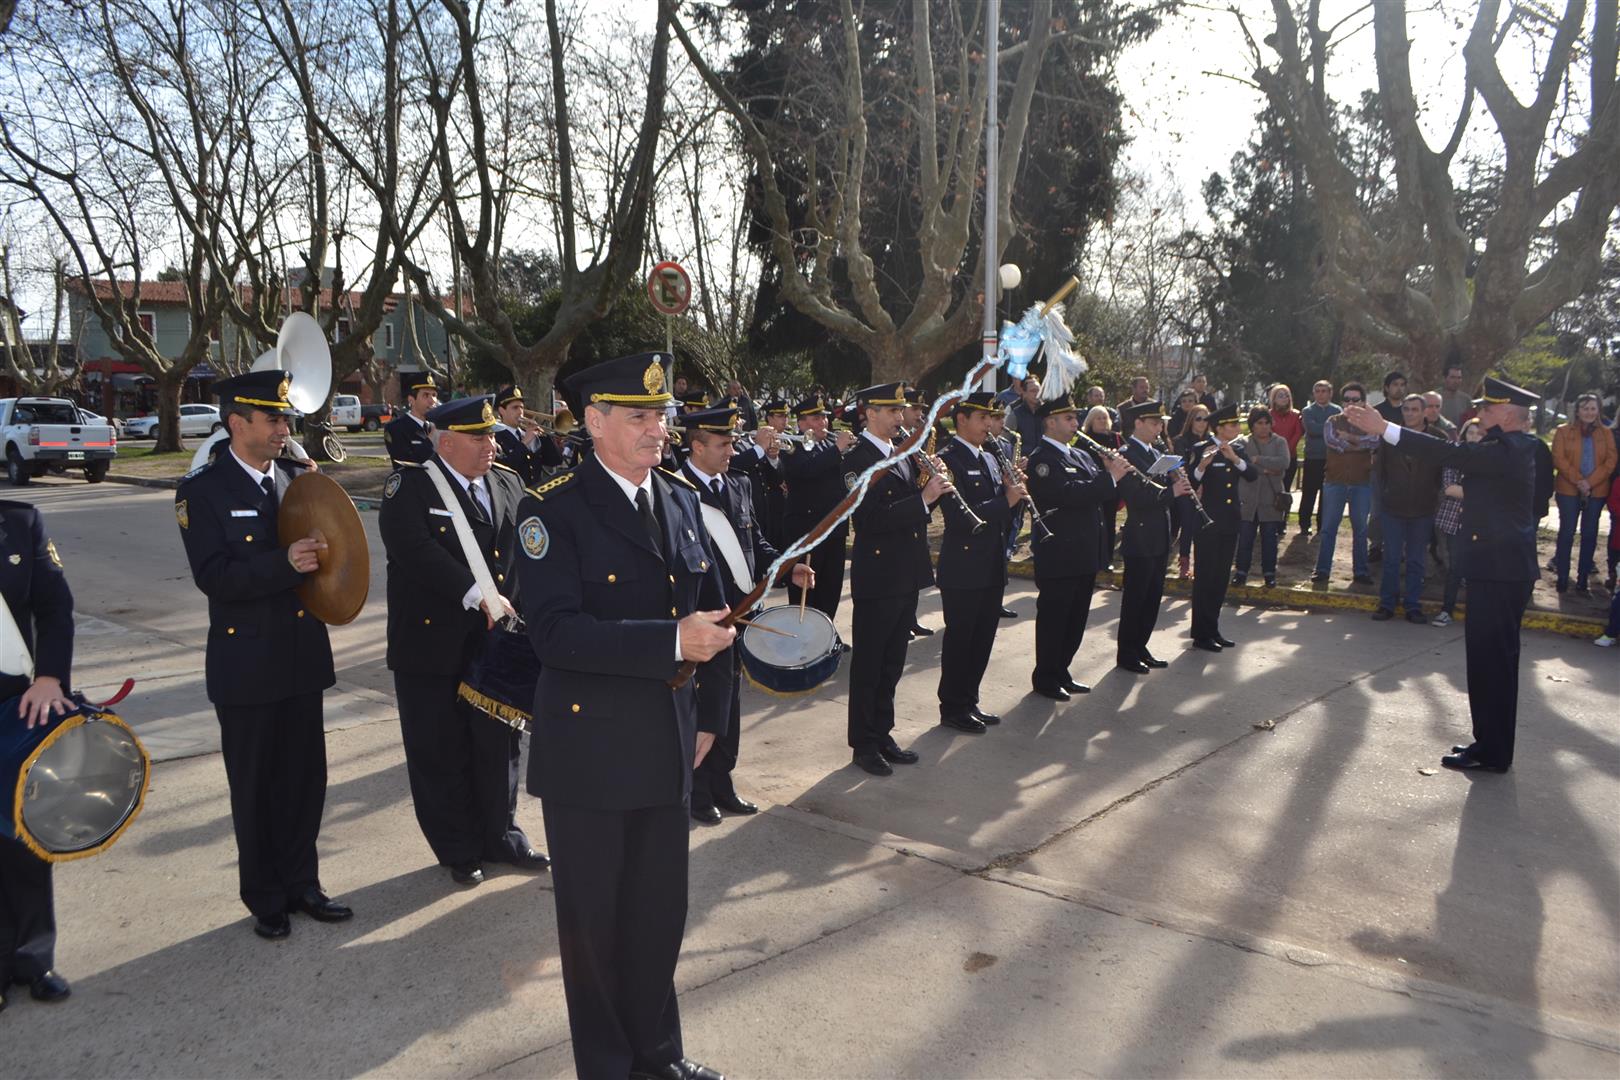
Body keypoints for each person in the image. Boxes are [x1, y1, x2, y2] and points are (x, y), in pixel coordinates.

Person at [516, 353, 734, 1080]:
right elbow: (554, 634)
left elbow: (716, 612)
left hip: (668, 744)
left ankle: (658, 1056)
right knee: (594, 928)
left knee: (657, 916)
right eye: (638, 415)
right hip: (591, 755)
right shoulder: (551, 507)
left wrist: (712, 715)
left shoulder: (676, 499)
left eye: (661, 414)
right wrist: (671, 642)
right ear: (594, 421)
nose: (657, 428)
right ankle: (609, 1068)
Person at [175, 369, 353, 939]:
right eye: (272, 418)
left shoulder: (302, 479)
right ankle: (266, 896)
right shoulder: (201, 492)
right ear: (236, 423)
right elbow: (215, 577)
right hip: (246, 664)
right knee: (255, 784)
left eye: (284, 418)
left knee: (306, 779)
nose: (284, 428)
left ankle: (305, 883)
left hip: (301, 656)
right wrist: (285, 564)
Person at [377, 396, 549, 887]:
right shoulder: (408, 487)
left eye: (493, 436)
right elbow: (414, 550)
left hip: (497, 644)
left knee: (499, 745)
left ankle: (503, 835)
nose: (491, 446)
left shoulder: (509, 482)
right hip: (432, 645)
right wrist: (478, 594)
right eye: (480, 438)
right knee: (440, 747)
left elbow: (530, 549)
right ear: (446, 442)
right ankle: (458, 846)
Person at [1343, 376, 1542, 773]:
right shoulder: (1506, 447)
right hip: (1497, 570)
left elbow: (1448, 453)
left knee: (1493, 665)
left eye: (1488, 408)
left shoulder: (1512, 450)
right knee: (1487, 664)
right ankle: (1489, 745)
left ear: (1507, 414)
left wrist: (1385, 428)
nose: (1480, 413)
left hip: (1500, 572)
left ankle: (1493, 751)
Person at [676, 406, 812, 823]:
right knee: (700, 706)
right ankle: (696, 793)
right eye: (723, 444)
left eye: (733, 442)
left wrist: (790, 566)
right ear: (697, 446)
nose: (732, 451)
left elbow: (756, 545)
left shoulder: (739, 485)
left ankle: (722, 782)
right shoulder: (674, 490)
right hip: (700, 618)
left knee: (730, 704)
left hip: (742, 616)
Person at [842, 382, 950, 776]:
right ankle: (863, 744)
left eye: (899, 410)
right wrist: (923, 499)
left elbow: (909, 509)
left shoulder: (903, 452)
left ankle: (882, 732)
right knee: (870, 665)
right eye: (890, 411)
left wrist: (929, 485)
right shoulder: (857, 459)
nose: (899, 417)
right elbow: (868, 519)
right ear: (868, 413)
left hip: (905, 572)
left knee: (892, 662)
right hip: (879, 574)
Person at [0, 501, 76, 1012]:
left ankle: (33, 958)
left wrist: (49, 676)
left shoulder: (21, 521)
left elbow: (53, 604)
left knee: (24, 832)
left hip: (16, 701)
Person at [932, 393, 1025, 729]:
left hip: (990, 563)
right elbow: (962, 518)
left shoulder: (989, 457)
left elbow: (1000, 510)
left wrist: (1012, 495)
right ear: (962, 420)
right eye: (983, 418)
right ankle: (952, 708)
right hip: (964, 566)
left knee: (983, 638)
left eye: (992, 418)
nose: (989, 424)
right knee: (961, 640)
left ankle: (969, 700)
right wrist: (1008, 500)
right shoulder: (949, 459)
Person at [1026, 398, 1129, 698]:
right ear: (1050, 422)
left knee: (1076, 618)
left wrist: (1111, 471)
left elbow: (1098, 493)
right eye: (1068, 418)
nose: (1075, 423)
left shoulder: (1081, 455)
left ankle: (1062, 670)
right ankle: (1045, 677)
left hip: (1084, 551)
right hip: (1059, 553)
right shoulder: (1042, 460)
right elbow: (1067, 495)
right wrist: (1110, 477)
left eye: (1075, 418)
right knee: (1055, 619)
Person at [1115, 401, 1192, 673]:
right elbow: (1137, 497)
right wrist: (1173, 491)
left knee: (1152, 596)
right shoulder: (1126, 454)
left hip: (1160, 533)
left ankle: (1140, 646)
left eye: (1161, 423)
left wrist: (1176, 481)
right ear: (1137, 423)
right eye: (1154, 422)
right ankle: (1126, 653)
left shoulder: (1157, 451)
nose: (1160, 427)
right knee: (1136, 598)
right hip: (1140, 534)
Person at [781, 396, 855, 618]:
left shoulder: (828, 443)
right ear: (802, 423)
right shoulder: (791, 444)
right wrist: (838, 449)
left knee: (831, 588)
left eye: (824, 417)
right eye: (816, 418)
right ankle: (804, 641)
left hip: (834, 529)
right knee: (806, 592)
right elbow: (806, 470)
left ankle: (826, 636)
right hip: (807, 530)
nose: (824, 422)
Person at [1371, 395, 1442, 622]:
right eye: (1406, 409)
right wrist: (1384, 497)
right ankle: (1387, 604)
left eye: (1414, 409)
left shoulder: (1438, 438)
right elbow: (1379, 471)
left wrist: (1435, 497)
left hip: (1423, 508)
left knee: (1416, 559)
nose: (1410, 413)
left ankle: (1412, 605)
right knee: (1391, 558)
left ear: (1424, 412)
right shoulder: (1391, 435)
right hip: (1393, 506)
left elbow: (1442, 474)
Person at [1189, 403, 1255, 649]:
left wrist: (1235, 458)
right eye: (1233, 424)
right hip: (1208, 522)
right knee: (1205, 578)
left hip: (1230, 520)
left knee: (1220, 579)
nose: (1238, 428)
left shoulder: (1237, 448)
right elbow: (1190, 480)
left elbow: (1252, 474)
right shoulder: (1201, 448)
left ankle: (1213, 629)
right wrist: (1202, 466)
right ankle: (1201, 633)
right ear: (1219, 428)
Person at [1550, 392, 1616, 595]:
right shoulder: (1563, 431)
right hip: (1568, 489)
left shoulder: (1606, 433)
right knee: (1567, 533)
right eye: (1585, 408)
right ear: (1578, 411)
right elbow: (1559, 458)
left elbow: (1610, 461)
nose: (1589, 412)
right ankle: (1562, 577)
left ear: (1598, 411)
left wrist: (1590, 482)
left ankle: (1582, 579)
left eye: (1593, 408)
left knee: (1589, 534)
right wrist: (1579, 481)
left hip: (1596, 491)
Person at [1312, 383, 1378, 586]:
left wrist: (1350, 438)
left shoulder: (1370, 423)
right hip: (1335, 482)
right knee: (1328, 529)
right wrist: (1359, 443)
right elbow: (1333, 442)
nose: (1351, 403)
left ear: (1363, 402)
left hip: (1362, 483)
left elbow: (1374, 442)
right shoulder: (1332, 421)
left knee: (1360, 530)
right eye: (1347, 399)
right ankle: (1322, 571)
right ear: (1342, 402)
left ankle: (1360, 572)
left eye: (1355, 399)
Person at [1431, 418, 1486, 626]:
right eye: (1470, 432)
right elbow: (1449, 488)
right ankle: (1446, 610)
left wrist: (1474, 492)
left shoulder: (1491, 460)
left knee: (1479, 569)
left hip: (1482, 523)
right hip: (1455, 519)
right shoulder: (1454, 457)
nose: (1474, 437)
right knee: (1455, 567)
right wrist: (1481, 492)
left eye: (1479, 434)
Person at [1232, 408, 1289, 588]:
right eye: (1259, 423)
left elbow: (1283, 463)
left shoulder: (1280, 442)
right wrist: (1265, 469)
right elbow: (1241, 464)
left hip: (1270, 499)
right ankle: (1241, 573)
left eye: (1267, 423)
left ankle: (1269, 574)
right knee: (1245, 539)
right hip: (1247, 498)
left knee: (1270, 540)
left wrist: (1257, 460)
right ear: (1252, 425)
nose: (1264, 427)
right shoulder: (1242, 442)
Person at [492, 384, 564, 485]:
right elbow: (506, 467)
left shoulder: (526, 434)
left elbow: (555, 460)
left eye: (522, 407)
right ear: (502, 411)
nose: (520, 412)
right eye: (515, 408)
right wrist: (525, 442)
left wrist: (545, 436)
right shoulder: (496, 437)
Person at [1081, 405, 1124, 571]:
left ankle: (1107, 559)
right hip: (1093, 485)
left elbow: (1126, 454)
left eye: (1104, 417)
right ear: (1091, 421)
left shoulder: (1116, 438)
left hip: (1112, 486)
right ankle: (1094, 557)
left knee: (1110, 522)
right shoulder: (1085, 439)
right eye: (1098, 417)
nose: (1102, 420)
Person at [1171, 405, 1211, 578]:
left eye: (1205, 419)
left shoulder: (1212, 440)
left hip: (1208, 488)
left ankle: (1201, 562)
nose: (1202, 423)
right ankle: (1184, 562)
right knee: (1187, 524)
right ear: (1191, 420)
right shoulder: (1181, 440)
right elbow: (1180, 466)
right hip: (1186, 487)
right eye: (1198, 418)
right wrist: (1193, 485)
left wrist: (1204, 485)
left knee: (1204, 528)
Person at [1298, 380, 1340, 539]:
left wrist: (1324, 427)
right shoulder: (1308, 410)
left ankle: (1322, 525)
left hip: (1331, 458)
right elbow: (1312, 430)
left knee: (1327, 494)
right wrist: (1329, 426)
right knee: (1309, 493)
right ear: (1314, 393)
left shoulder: (1337, 410)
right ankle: (1304, 524)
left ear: (1330, 393)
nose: (1321, 394)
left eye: (1324, 391)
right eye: (1318, 391)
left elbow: (1337, 430)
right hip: (1313, 457)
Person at [384, 370, 440, 464]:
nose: (432, 401)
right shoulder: (395, 428)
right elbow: (406, 463)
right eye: (426, 395)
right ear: (411, 400)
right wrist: (432, 437)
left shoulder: (435, 427)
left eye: (434, 395)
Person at [1268, 384, 1304, 499]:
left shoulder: (1296, 415)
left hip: (1290, 457)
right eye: (1280, 396)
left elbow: (1298, 433)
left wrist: (1285, 451)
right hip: (1272, 457)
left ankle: (1284, 515)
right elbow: (1268, 434)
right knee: (1270, 490)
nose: (1284, 398)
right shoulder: (1268, 415)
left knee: (1285, 489)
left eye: (1286, 395)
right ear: (1274, 399)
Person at [1007, 376, 1044, 450]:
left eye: (1039, 391)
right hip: (1023, 459)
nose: (1037, 394)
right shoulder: (1015, 414)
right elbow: (1005, 440)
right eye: (1033, 391)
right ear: (1024, 393)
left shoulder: (1048, 413)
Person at [1438, 360, 1471, 426]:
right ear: (1444, 378)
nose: (1456, 381)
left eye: (1459, 378)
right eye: (1452, 377)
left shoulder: (1466, 400)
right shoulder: (1433, 398)